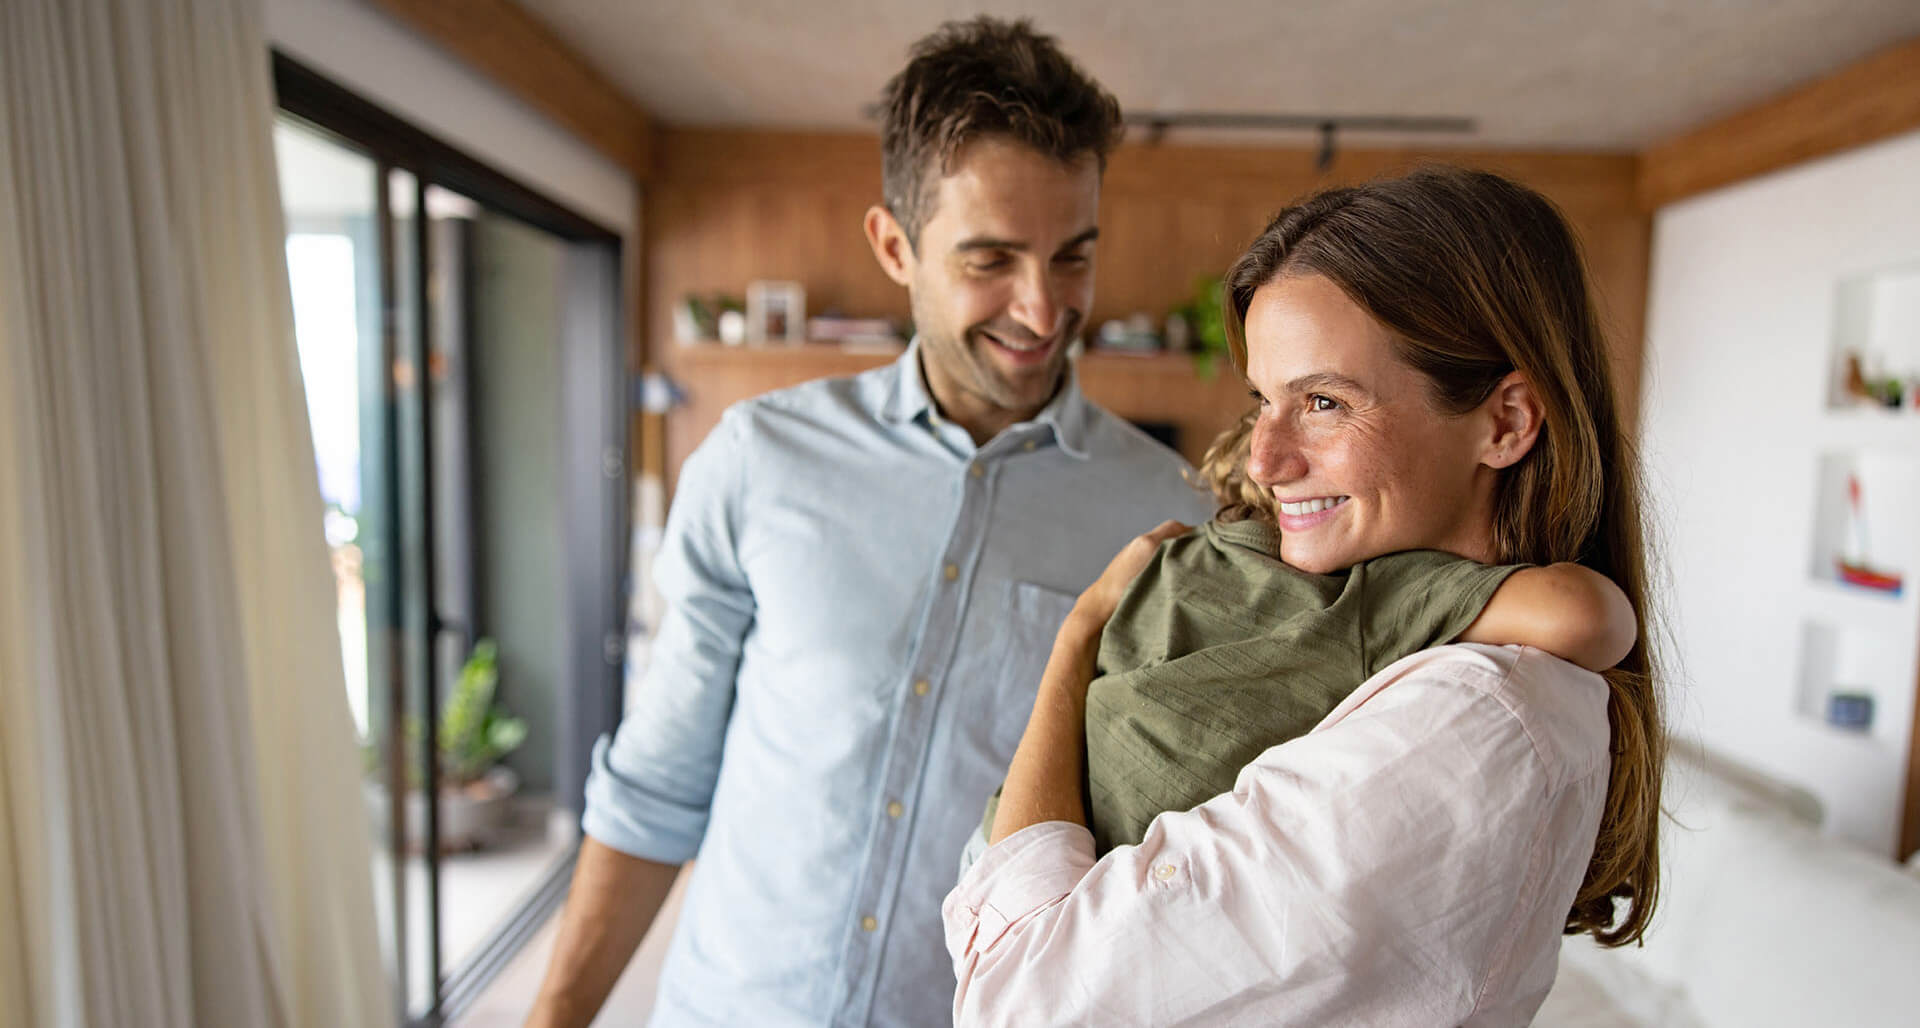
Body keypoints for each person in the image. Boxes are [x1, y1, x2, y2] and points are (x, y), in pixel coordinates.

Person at [525, 17, 1212, 1028]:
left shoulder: (1172, 516)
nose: (1042, 308)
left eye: (1073, 256)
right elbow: (658, 782)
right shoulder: (758, 459)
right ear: (895, 246)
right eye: (991, 259)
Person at [944, 166, 1665, 1026]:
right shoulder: (1338, 600)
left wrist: (1078, 636)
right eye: (1263, 401)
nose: (1264, 459)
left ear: (1505, 422)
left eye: (1324, 401)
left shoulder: (1470, 702)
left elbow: (1019, 1003)